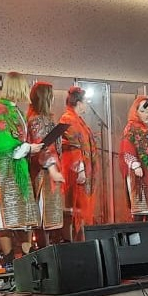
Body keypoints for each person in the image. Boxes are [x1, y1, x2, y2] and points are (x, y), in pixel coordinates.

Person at [0, 72, 42, 258]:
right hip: (7, 171)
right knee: (7, 216)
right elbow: (2, 145)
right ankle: (9, 259)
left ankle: (26, 256)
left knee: (23, 215)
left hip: (18, 168)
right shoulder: (2, 112)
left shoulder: (15, 111)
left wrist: (29, 148)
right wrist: (28, 148)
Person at [27, 82, 65, 247]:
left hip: (50, 170)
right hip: (42, 173)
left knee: (49, 216)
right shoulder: (36, 120)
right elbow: (41, 147)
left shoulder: (47, 119)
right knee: (43, 215)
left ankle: (49, 249)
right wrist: (53, 169)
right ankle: (44, 251)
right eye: (51, 95)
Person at [59, 86, 99, 241]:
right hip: (75, 173)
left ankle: (80, 241)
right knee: (73, 209)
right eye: (85, 102)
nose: (86, 105)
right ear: (79, 103)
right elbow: (72, 146)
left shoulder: (78, 119)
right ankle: (73, 242)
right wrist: (80, 168)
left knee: (80, 210)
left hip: (84, 171)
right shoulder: (68, 118)